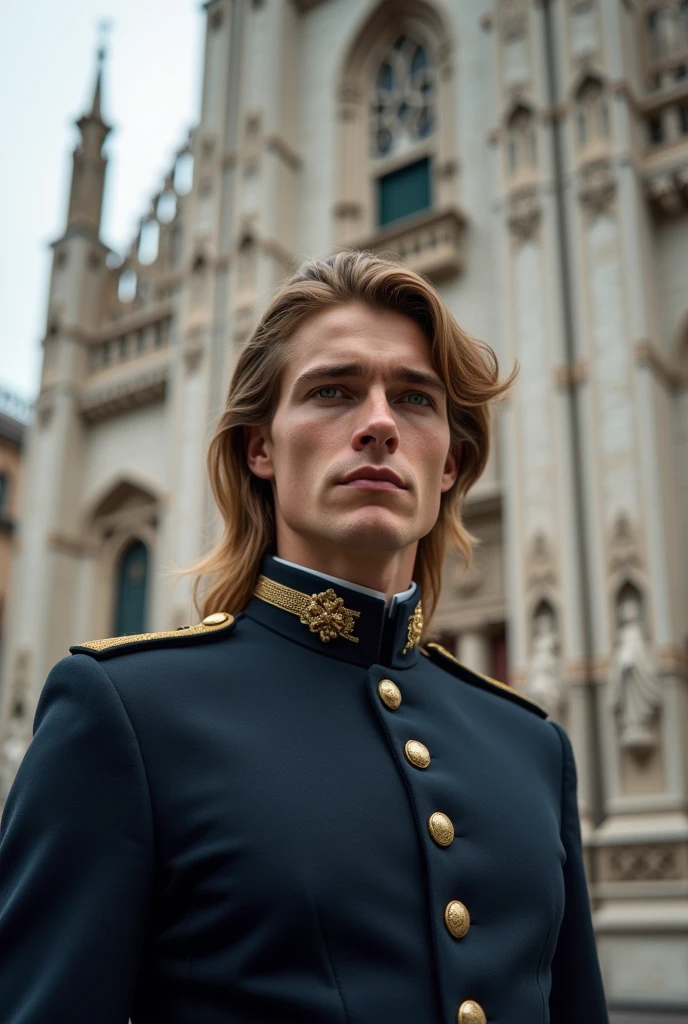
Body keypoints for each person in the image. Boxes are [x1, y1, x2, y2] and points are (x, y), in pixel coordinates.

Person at [0, 251, 608, 1023]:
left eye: (415, 400)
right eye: (333, 391)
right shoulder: (129, 714)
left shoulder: (532, 747)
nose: (380, 423)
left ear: (451, 464)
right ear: (261, 447)